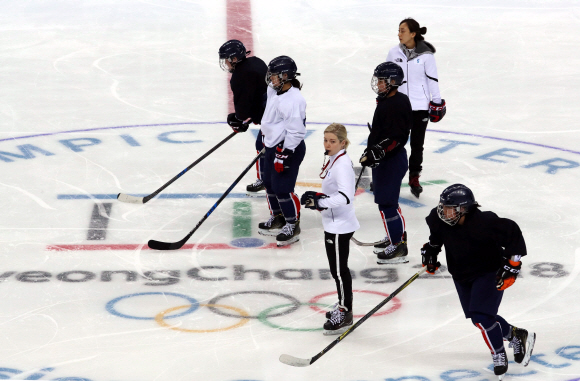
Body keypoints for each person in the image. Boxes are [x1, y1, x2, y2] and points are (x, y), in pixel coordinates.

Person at [421, 184, 536, 378]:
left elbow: (513, 234)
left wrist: (512, 266)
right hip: (461, 274)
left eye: (450, 208)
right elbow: (437, 237)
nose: (444, 212)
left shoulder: (485, 222)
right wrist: (431, 251)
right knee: (480, 318)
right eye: (443, 206)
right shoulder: (438, 219)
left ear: (464, 208)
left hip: (489, 272)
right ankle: (514, 335)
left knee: (481, 317)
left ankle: (498, 354)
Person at [301, 123, 360, 335]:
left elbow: (345, 196)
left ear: (343, 143)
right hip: (335, 222)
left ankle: (345, 311)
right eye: (325, 140)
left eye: (332, 141)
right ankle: (344, 304)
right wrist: (319, 198)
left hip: (339, 226)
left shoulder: (342, 164)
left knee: (338, 270)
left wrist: (320, 203)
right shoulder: (335, 159)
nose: (327, 144)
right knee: (338, 269)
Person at [386, 18, 446, 198]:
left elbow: (432, 80)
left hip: (420, 107)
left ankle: (414, 177)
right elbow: (386, 77)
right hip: (399, 105)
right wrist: (384, 98)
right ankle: (387, 175)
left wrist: (436, 102)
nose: (399, 34)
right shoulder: (393, 52)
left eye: (403, 30)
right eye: (398, 30)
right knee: (393, 143)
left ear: (413, 34)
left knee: (417, 145)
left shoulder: (426, 55)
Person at [360, 61, 412, 264]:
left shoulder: (397, 104)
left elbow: (397, 137)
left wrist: (377, 151)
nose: (378, 84)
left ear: (392, 82)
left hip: (391, 161)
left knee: (388, 203)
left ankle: (398, 245)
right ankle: (394, 237)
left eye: (382, 81)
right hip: (386, 160)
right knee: (386, 203)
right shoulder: (389, 101)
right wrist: (372, 150)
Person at [257, 56, 306, 246]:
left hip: (287, 149)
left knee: (282, 189)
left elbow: (296, 131)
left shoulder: (294, 100)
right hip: (271, 146)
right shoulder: (274, 90)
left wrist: (284, 152)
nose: (271, 79)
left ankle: (292, 224)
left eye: (275, 76)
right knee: (269, 184)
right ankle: (278, 217)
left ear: (286, 76)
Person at [218, 39, 268, 196]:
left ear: (233, 59)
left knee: (263, 145)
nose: (225, 63)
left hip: (271, 118)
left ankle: (266, 180)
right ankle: (266, 179)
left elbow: (244, 107)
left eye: (226, 59)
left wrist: (238, 119)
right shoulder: (256, 61)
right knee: (263, 144)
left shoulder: (239, 76)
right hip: (272, 110)